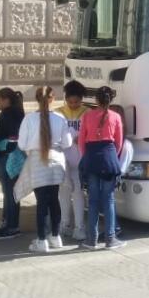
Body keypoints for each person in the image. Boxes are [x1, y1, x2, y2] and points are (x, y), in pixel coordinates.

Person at [16, 86, 71, 253]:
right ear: (53, 99)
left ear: (36, 99)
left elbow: (22, 144)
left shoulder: (29, 119)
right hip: (56, 161)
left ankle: (41, 240)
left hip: (37, 161)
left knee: (41, 202)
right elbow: (67, 143)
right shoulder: (60, 118)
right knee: (54, 200)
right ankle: (55, 237)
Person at [77, 86, 126, 250]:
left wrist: (87, 157)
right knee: (109, 200)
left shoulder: (87, 116)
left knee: (93, 201)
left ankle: (91, 239)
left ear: (96, 100)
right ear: (110, 100)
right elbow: (119, 143)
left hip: (91, 158)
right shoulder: (116, 116)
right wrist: (112, 156)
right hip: (109, 157)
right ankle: (111, 239)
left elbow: (81, 142)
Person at [0, 88, 25, 241]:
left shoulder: (9, 113)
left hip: (9, 157)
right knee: (10, 192)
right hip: (13, 156)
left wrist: (8, 149)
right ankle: (9, 222)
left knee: (10, 193)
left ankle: (12, 226)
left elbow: (13, 135)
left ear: (6, 100)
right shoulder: (16, 112)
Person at [57, 80, 89, 241]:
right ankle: (64, 224)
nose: (73, 104)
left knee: (78, 192)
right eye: (70, 101)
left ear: (81, 99)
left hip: (80, 159)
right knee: (63, 191)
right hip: (63, 159)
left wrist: (83, 138)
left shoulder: (88, 113)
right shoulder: (58, 113)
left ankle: (79, 227)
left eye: (77, 101)